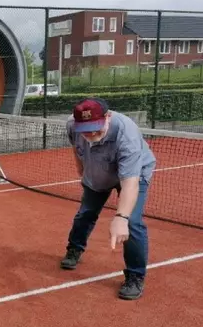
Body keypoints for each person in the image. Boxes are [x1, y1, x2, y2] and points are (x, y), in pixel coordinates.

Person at [60, 97, 156, 300]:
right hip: (97, 168)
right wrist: (81, 167)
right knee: (86, 212)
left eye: (96, 127)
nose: (92, 133)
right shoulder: (72, 125)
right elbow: (76, 147)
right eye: (86, 129)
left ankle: (135, 276)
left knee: (133, 222)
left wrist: (121, 217)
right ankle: (74, 249)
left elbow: (130, 182)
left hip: (133, 173)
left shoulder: (125, 133)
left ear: (107, 117)